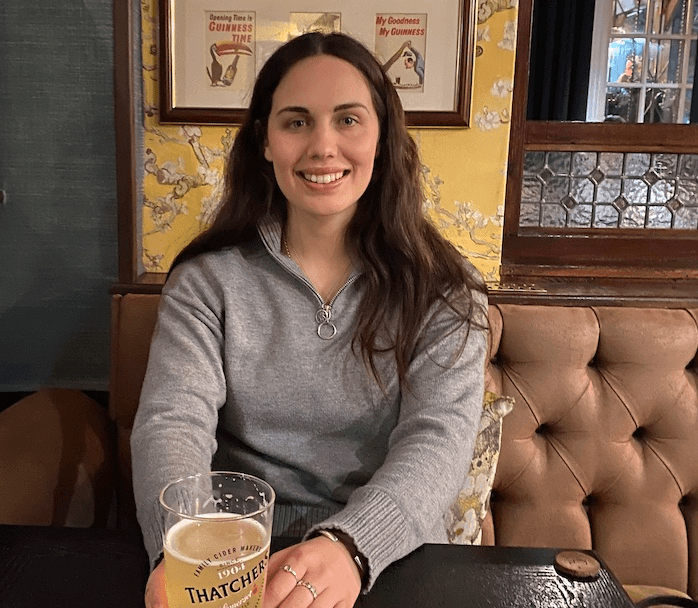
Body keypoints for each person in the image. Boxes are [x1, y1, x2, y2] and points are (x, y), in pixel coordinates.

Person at [131, 31, 489, 608]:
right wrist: (179, 546)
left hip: (388, 556)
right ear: (265, 142)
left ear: (383, 138)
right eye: (296, 122)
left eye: (348, 120)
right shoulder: (205, 282)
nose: (323, 146)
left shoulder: (447, 292)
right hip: (235, 553)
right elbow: (172, 426)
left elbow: (437, 443)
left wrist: (350, 545)